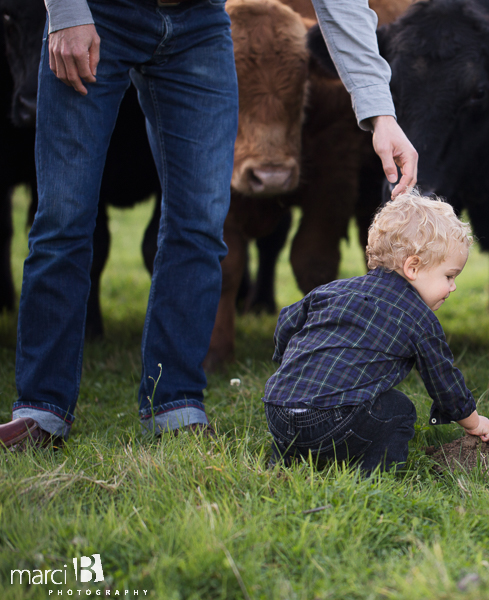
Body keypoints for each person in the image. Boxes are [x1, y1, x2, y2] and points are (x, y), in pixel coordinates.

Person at [0, 0, 417, 450]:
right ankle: (42, 409)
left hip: (200, 23)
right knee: (65, 213)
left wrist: (381, 113)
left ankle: (175, 406)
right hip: (100, 10)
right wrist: (65, 12)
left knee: (199, 222)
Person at [264, 190, 489, 473]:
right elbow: (444, 382)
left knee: (309, 416)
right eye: (449, 276)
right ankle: (376, 476)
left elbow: (287, 321)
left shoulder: (332, 290)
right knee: (399, 409)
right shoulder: (420, 319)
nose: (453, 287)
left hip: (277, 409)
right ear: (413, 266)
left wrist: (288, 362)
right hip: (331, 422)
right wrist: (474, 422)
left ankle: (282, 459)